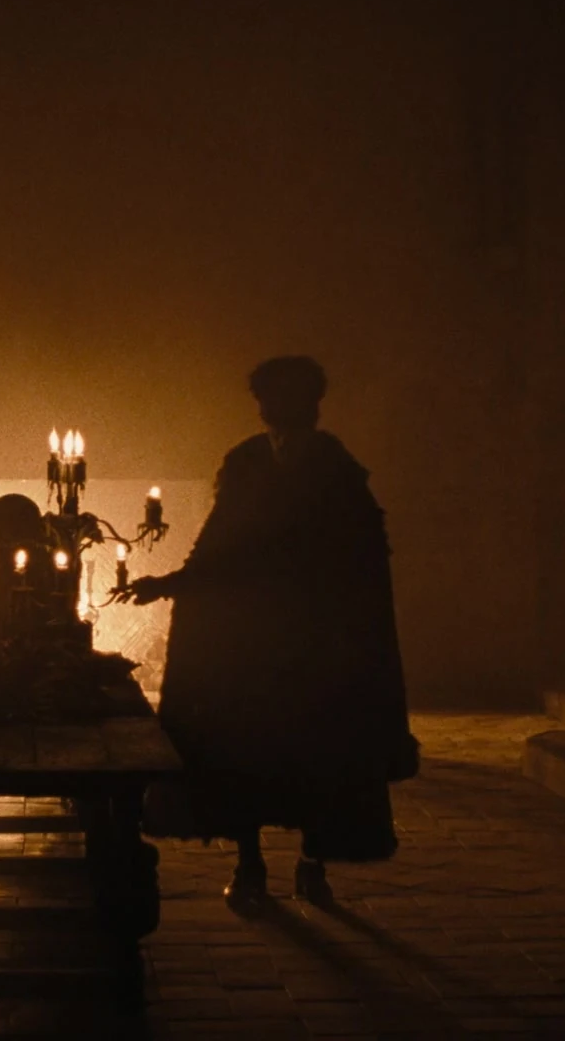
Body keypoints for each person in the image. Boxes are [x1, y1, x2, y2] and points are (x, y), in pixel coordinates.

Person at [126, 355, 417, 912]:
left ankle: (312, 862)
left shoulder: (335, 469)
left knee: (316, 754)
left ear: (310, 403)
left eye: (281, 397)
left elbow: (361, 561)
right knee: (246, 750)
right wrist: (172, 584)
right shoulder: (246, 463)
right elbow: (220, 545)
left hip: (314, 643)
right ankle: (250, 864)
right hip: (251, 641)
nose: (269, 409)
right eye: (264, 398)